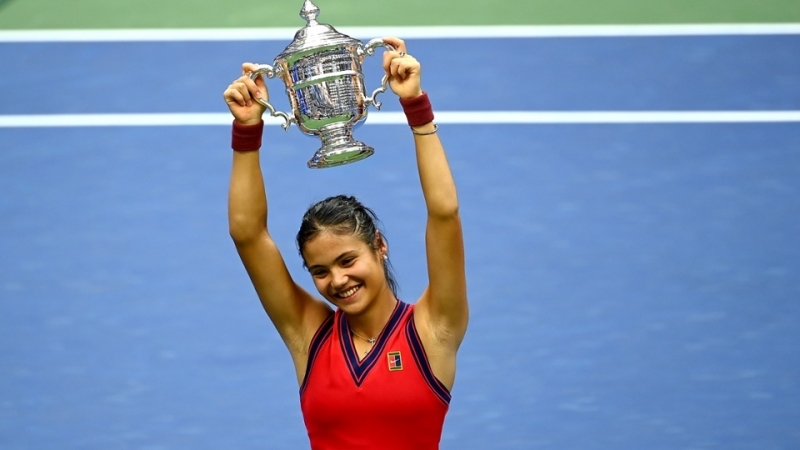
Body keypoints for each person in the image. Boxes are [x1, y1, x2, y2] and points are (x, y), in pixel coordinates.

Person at [222, 37, 468, 450]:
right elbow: (247, 233)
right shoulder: (308, 335)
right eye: (320, 271)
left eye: (347, 260)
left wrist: (415, 105)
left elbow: (444, 213)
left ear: (379, 245)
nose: (337, 280)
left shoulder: (434, 329)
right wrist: (247, 130)